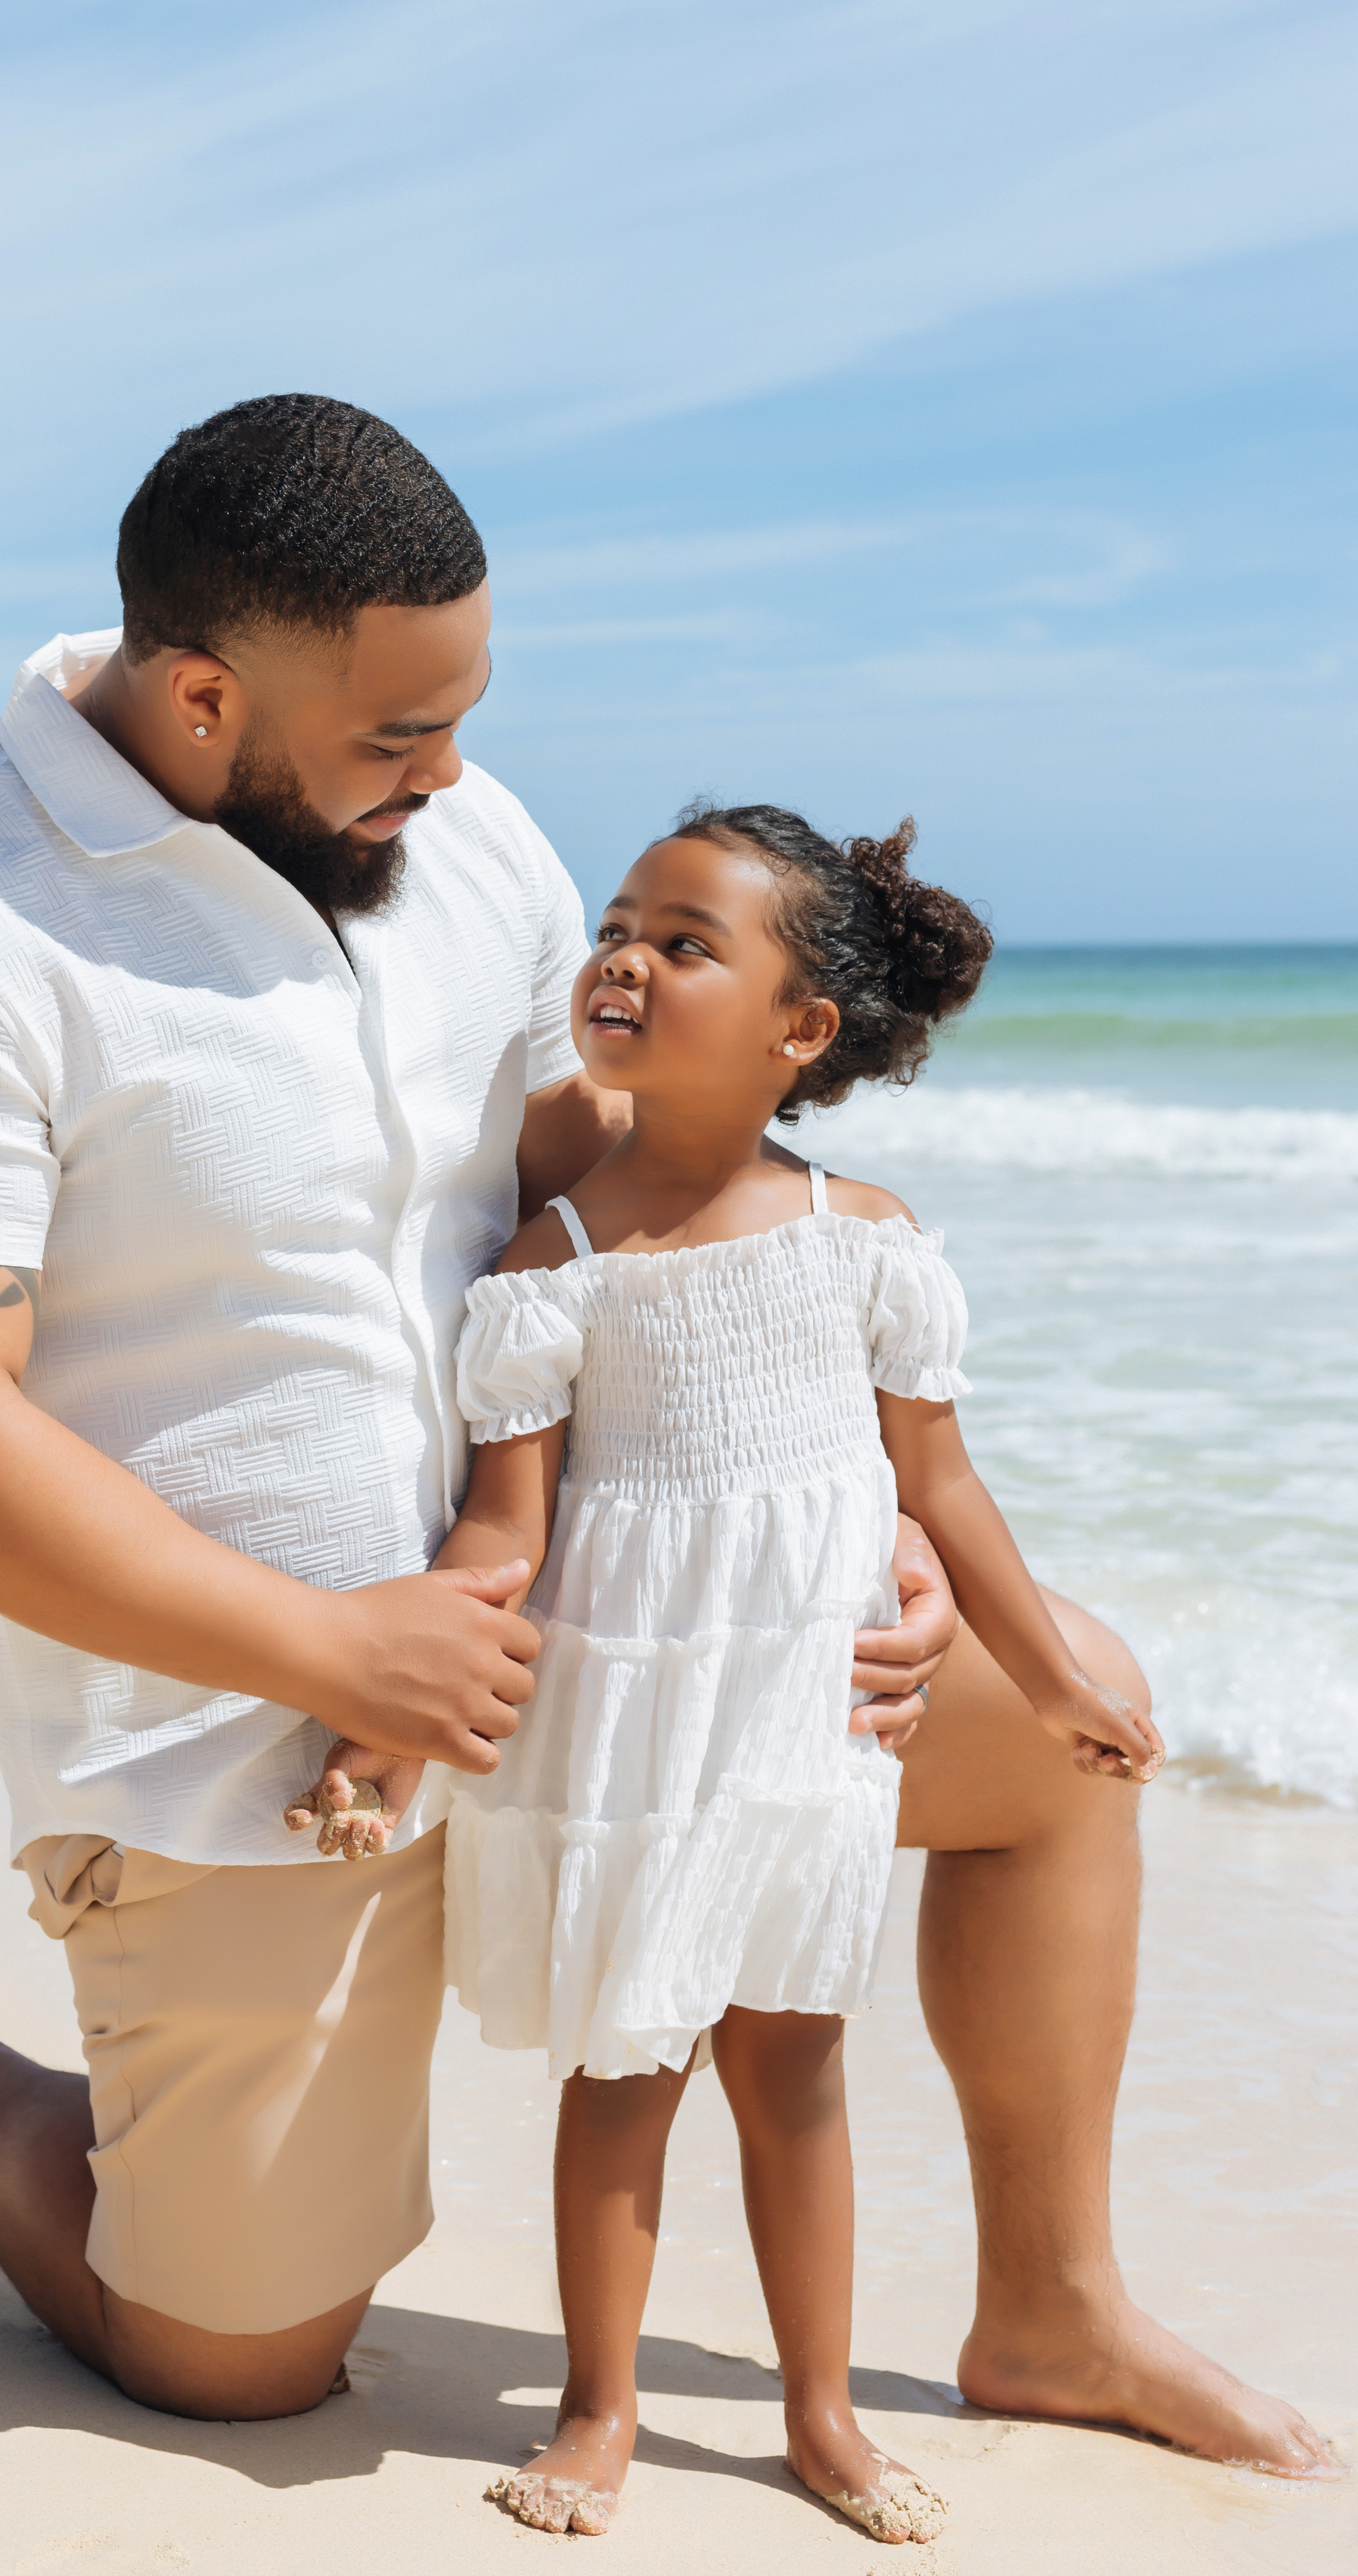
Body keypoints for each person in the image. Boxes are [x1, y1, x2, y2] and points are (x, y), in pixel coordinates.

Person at [0, 395, 1329, 2476]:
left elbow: (587, 1168)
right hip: (253, 1743)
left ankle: (1056, 2309)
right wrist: (335, 1651)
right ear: (207, 699)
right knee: (234, 2366)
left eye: (463, 719)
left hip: (630, 1624)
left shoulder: (446, 833)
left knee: (1074, 1716)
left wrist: (866, 1507)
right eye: (400, 735)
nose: (457, 778)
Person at [310, 804, 1160, 2542]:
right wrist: (383, 1732)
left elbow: (938, 1484)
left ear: (800, 1030)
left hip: (797, 1719)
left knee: (793, 2068)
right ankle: (598, 2409)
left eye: (684, 940)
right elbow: (498, 1537)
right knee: (621, 2073)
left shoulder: (862, 1234)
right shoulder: (550, 1261)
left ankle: (822, 2415)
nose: (623, 956)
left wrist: (1049, 1674)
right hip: (626, 1721)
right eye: (617, 924)